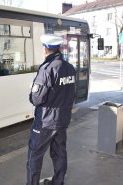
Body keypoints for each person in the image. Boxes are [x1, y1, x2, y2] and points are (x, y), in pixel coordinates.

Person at [26, 34, 76, 185]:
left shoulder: (46, 69)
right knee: (59, 153)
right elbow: (71, 94)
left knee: (35, 155)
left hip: (45, 122)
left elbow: (36, 99)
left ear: (46, 49)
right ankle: (58, 182)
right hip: (63, 119)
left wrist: (32, 91)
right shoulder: (69, 68)